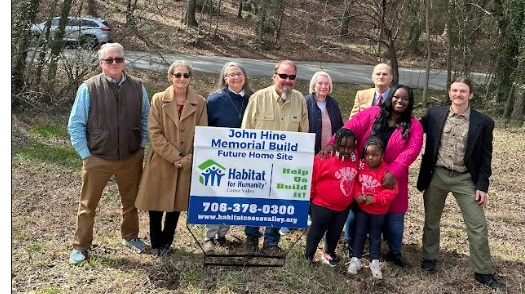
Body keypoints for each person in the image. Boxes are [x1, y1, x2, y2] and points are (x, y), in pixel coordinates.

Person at [417, 78, 506, 291]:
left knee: (477, 224)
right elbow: (413, 131)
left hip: (465, 179)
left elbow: (486, 158)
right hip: (436, 175)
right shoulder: (435, 115)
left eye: (463, 91)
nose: (458, 94)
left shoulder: (483, 122)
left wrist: (482, 186)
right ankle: (429, 258)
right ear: (449, 93)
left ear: (471, 94)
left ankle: (483, 271)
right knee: (431, 220)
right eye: (455, 90)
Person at [321, 84, 423, 268]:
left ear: (410, 102)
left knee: (394, 217)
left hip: (391, 177)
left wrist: (394, 171)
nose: (400, 101)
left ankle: (394, 251)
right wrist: (332, 143)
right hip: (364, 174)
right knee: (357, 209)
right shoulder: (373, 113)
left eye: (405, 98)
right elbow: (350, 128)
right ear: (390, 97)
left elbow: (412, 150)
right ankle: (351, 244)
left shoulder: (414, 125)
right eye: (396, 97)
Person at [67, 42, 150, 265]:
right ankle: (81, 246)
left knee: (131, 203)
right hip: (98, 158)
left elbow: (146, 119)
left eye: (118, 59)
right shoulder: (89, 87)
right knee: (87, 205)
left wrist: (141, 147)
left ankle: (130, 236)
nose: (114, 63)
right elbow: (75, 124)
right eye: (109, 60)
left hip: (130, 157)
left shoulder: (138, 87)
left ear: (124, 62)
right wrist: (86, 155)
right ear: (101, 63)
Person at [135, 60, 208, 256]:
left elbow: (203, 134)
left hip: (186, 163)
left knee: (175, 205)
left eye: (186, 75)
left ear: (191, 78)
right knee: (156, 205)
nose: (181, 78)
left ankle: (167, 244)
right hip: (161, 161)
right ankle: (156, 244)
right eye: (178, 75)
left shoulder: (200, 102)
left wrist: (187, 159)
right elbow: (154, 132)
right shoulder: (159, 99)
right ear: (170, 77)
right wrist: (174, 156)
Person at [241, 59, 309, 253]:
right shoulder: (258, 98)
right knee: (255, 202)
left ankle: (271, 241)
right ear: (274, 76)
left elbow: (304, 133)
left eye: (292, 77)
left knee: (278, 203)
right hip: (258, 164)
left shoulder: (300, 100)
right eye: (283, 76)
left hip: (285, 165)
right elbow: (246, 130)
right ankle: (251, 238)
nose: (287, 80)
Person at [279, 71, 344, 236]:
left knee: (317, 186)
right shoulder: (305, 102)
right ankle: (288, 220)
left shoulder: (333, 104)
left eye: (326, 83)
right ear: (313, 85)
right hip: (307, 153)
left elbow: (340, 128)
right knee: (299, 185)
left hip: (326, 156)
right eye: (320, 83)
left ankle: (309, 216)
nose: (323, 86)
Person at [202, 61, 253, 253]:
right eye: (231, 74)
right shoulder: (214, 100)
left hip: (244, 158)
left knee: (233, 195)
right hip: (219, 157)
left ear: (245, 76)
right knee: (216, 195)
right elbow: (206, 128)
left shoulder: (252, 98)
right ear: (225, 78)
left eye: (239, 74)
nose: (236, 78)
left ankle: (222, 233)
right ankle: (209, 236)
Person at [343, 62, 393, 253]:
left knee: (377, 195)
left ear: (391, 78)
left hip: (384, 155)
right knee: (356, 196)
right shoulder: (362, 95)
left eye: (385, 74)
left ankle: (373, 240)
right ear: (373, 77)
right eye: (378, 73)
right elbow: (352, 121)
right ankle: (350, 239)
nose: (381, 77)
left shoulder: (395, 98)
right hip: (361, 154)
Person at [305, 128, 358, 267]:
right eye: (342, 146)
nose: (346, 150)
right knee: (317, 230)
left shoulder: (356, 160)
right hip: (322, 204)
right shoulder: (323, 158)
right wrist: (309, 198)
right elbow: (312, 179)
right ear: (335, 144)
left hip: (343, 206)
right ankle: (309, 254)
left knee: (335, 232)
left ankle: (329, 253)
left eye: (350, 147)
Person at [347, 137, 398, 279]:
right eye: (368, 154)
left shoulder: (386, 171)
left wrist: (374, 199)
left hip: (379, 211)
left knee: (375, 235)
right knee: (359, 232)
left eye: (375, 155)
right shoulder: (361, 165)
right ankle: (355, 259)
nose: (370, 158)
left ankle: (374, 262)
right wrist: (357, 194)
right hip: (362, 208)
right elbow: (355, 181)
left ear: (382, 155)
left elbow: (391, 192)